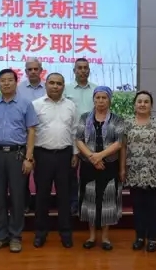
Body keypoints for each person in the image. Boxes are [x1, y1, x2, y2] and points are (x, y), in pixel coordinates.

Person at [0, 69, 39, 253]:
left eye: (10, 80)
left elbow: (31, 131)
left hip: (18, 154)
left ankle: (15, 236)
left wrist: (29, 157)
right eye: (3, 80)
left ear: (16, 82)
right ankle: (0, 236)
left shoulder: (25, 104)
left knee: (17, 197)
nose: (6, 83)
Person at [120, 91, 156, 253]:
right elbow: (123, 147)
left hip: (154, 171)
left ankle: (153, 239)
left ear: (151, 105)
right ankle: (140, 237)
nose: (142, 104)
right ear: (134, 104)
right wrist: (122, 168)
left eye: (146, 102)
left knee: (153, 207)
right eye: (139, 101)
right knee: (138, 207)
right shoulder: (127, 123)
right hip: (134, 170)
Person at [75, 86, 125, 251]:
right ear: (94, 100)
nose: (101, 101)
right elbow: (79, 140)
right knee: (90, 199)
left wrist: (100, 156)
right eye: (98, 98)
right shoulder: (84, 118)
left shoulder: (117, 119)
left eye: (104, 98)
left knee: (107, 199)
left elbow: (119, 142)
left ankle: (105, 237)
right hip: (89, 165)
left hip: (109, 166)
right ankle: (91, 236)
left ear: (109, 100)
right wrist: (92, 157)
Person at [32, 73, 78, 248]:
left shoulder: (71, 106)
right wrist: (31, 155)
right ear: (46, 85)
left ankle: (65, 233)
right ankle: (40, 233)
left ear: (63, 86)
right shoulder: (36, 105)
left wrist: (75, 154)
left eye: (59, 83)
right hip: (42, 155)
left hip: (65, 155)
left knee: (64, 196)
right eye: (51, 83)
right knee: (42, 196)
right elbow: (31, 132)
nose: (55, 86)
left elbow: (74, 131)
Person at [64, 58, 97, 216]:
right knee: (71, 172)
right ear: (74, 71)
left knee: (88, 172)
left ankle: (87, 202)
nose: (83, 70)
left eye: (85, 68)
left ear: (89, 70)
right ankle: (73, 203)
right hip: (70, 135)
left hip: (92, 137)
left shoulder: (96, 89)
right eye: (80, 68)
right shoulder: (66, 89)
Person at [16, 58, 46, 214]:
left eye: (36, 69)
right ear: (25, 71)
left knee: (42, 176)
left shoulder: (48, 87)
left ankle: (41, 205)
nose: (33, 72)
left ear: (41, 70)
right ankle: (25, 204)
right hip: (24, 138)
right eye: (30, 69)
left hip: (45, 137)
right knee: (23, 175)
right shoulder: (18, 89)